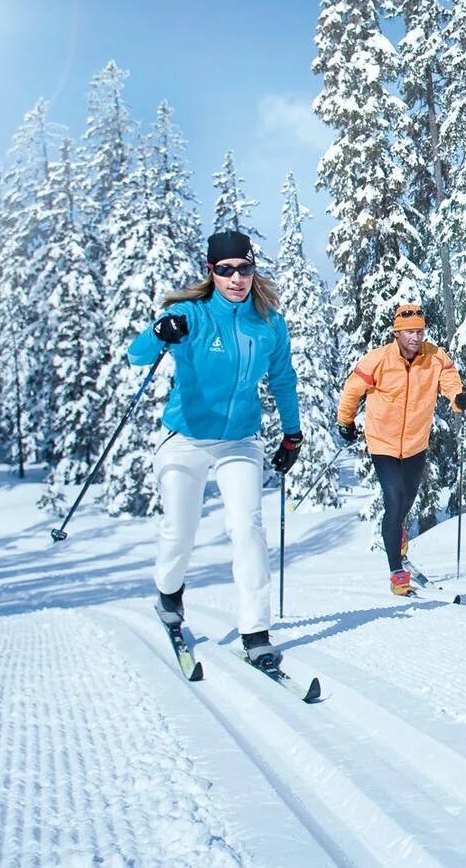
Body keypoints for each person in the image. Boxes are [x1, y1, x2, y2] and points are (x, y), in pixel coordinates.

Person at [132, 230, 302, 670]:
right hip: (186, 437)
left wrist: (292, 434)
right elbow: (137, 354)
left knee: (247, 526)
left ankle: (255, 632)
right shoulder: (190, 314)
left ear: (253, 270)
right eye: (225, 270)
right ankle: (169, 596)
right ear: (211, 272)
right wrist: (159, 330)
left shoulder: (268, 323)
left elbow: (283, 380)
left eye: (244, 268)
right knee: (180, 529)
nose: (236, 278)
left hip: (239, 440)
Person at [336, 303, 466, 596]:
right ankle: (397, 571)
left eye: (420, 331)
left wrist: (457, 398)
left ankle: (398, 541)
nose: (416, 336)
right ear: (397, 333)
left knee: (406, 502)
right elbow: (352, 390)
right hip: (382, 443)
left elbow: (449, 380)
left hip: (415, 444)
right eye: (409, 331)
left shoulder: (435, 357)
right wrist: (345, 422)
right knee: (394, 501)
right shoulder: (378, 360)